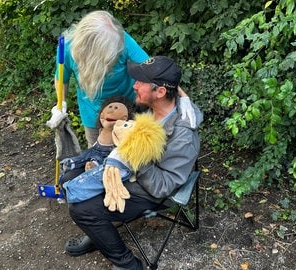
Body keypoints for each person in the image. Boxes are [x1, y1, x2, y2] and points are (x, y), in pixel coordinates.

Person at [64, 56, 203, 270]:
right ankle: (99, 233)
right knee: (69, 178)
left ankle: (128, 264)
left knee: (82, 209)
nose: (134, 85)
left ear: (161, 92)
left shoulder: (183, 136)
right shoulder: (147, 109)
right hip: (125, 171)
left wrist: (136, 154)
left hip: (149, 192)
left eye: (141, 82)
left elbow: (164, 186)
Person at [51, 10, 197, 148]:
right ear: (93, 50)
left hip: (128, 107)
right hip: (93, 114)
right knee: (95, 154)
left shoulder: (119, 38)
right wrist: (61, 104)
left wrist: (183, 97)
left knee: (133, 152)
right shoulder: (68, 49)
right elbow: (61, 79)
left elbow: (154, 72)